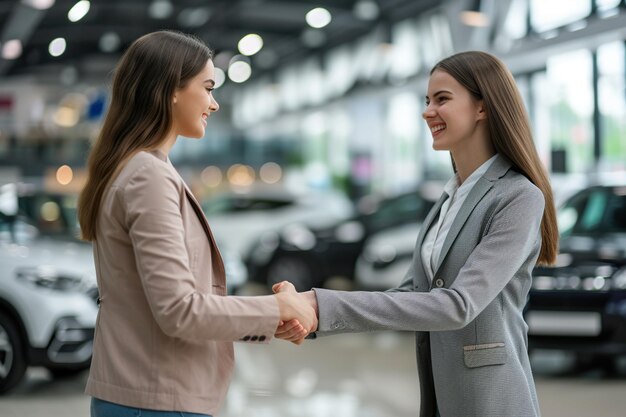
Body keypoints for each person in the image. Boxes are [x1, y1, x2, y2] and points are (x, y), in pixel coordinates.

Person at [274, 51, 558, 417]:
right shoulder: (448, 197)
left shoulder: (518, 196)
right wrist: (317, 319)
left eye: (442, 99)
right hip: (441, 397)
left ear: (483, 107)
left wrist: (319, 303)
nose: (427, 112)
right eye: (427, 101)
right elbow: (413, 294)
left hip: (492, 400)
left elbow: (458, 305)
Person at [77, 30, 315, 417]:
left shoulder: (139, 169)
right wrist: (276, 307)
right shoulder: (148, 176)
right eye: (207, 87)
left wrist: (276, 315)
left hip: (145, 395)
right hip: (154, 400)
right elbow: (179, 310)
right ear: (172, 88)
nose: (214, 103)